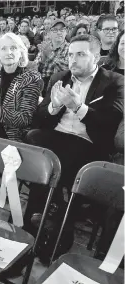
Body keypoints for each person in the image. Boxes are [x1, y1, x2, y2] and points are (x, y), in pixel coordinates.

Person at [25, 34, 124, 263]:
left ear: (96, 56)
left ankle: (48, 226)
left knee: (54, 163)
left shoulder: (114, 81)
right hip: (56, 138)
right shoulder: (60, 77)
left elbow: (110, 122)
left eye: (81, 54)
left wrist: (78, 107)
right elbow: (38, 119)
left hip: (88, 143)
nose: (73, 60)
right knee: (32, 140)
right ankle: (48, 221)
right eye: (70, 54)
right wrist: (54, 105)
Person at [36, 19, 69, 97]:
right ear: (50, 33)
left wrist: (49, 54)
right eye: (55, 30)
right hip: (43, 85)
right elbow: (36, 68)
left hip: (60, 87)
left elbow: (68, 70)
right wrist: (43, 59)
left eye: (62, 30)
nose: (59, 33)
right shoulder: (45, 46)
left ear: (66, 32)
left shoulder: (70, 48)